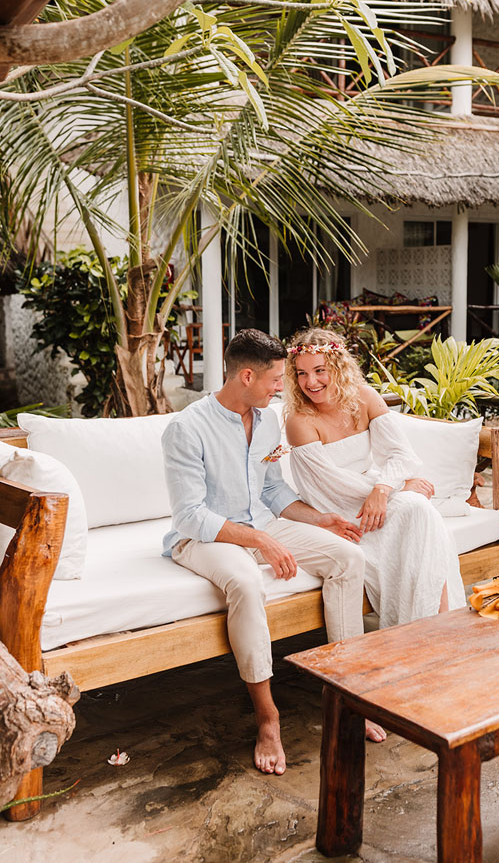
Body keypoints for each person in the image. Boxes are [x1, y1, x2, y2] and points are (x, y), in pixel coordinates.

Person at [161, 328, 368, 776]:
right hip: (205, 538)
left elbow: (273, 490)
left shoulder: (270, 420)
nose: (283, 388)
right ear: (247, 375)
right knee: (246, 582)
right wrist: (261, 540)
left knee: (348, 558)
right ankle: (268, 718)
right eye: (276, 379)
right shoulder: (186, 428)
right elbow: (190, 516)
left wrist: (319, 519)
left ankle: (347, 690)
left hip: (262, 523)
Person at [283, 328, 466, 634]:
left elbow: (401, 455)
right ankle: (436, 630)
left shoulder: (365, 398)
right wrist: (400, 488)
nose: (310, 382)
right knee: (416, 507)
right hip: (346, 516)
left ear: (338, 367)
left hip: (377, 502)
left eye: (319, 371)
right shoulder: (300, 421)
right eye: (301, 374)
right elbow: (329, 490)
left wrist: (384, 489)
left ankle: (432, 627)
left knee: (419, 511)